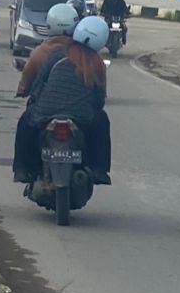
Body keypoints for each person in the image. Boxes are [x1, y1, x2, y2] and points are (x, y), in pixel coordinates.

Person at [13, 13, 112, 185]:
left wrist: (35, 101)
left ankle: (21, 169)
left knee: (25, 122)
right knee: (102, 121)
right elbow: (99, 98)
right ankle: (99, 170)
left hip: (46, 111)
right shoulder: (97, 63)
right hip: (82, 117)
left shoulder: (58, 53)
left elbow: (39, 83)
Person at [16, 2, 78, 98]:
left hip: (45, 107)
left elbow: (26, 80)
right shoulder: (84, 52)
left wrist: (22, 90)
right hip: (81, 108)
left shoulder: (39, 52)